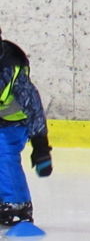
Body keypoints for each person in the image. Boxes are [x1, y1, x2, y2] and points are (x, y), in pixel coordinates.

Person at [0, 28, 52, 228]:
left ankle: (16, 205)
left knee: (3, 153)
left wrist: (41, 147)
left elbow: (33, 107)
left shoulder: (10, 69)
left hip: (12, 124)